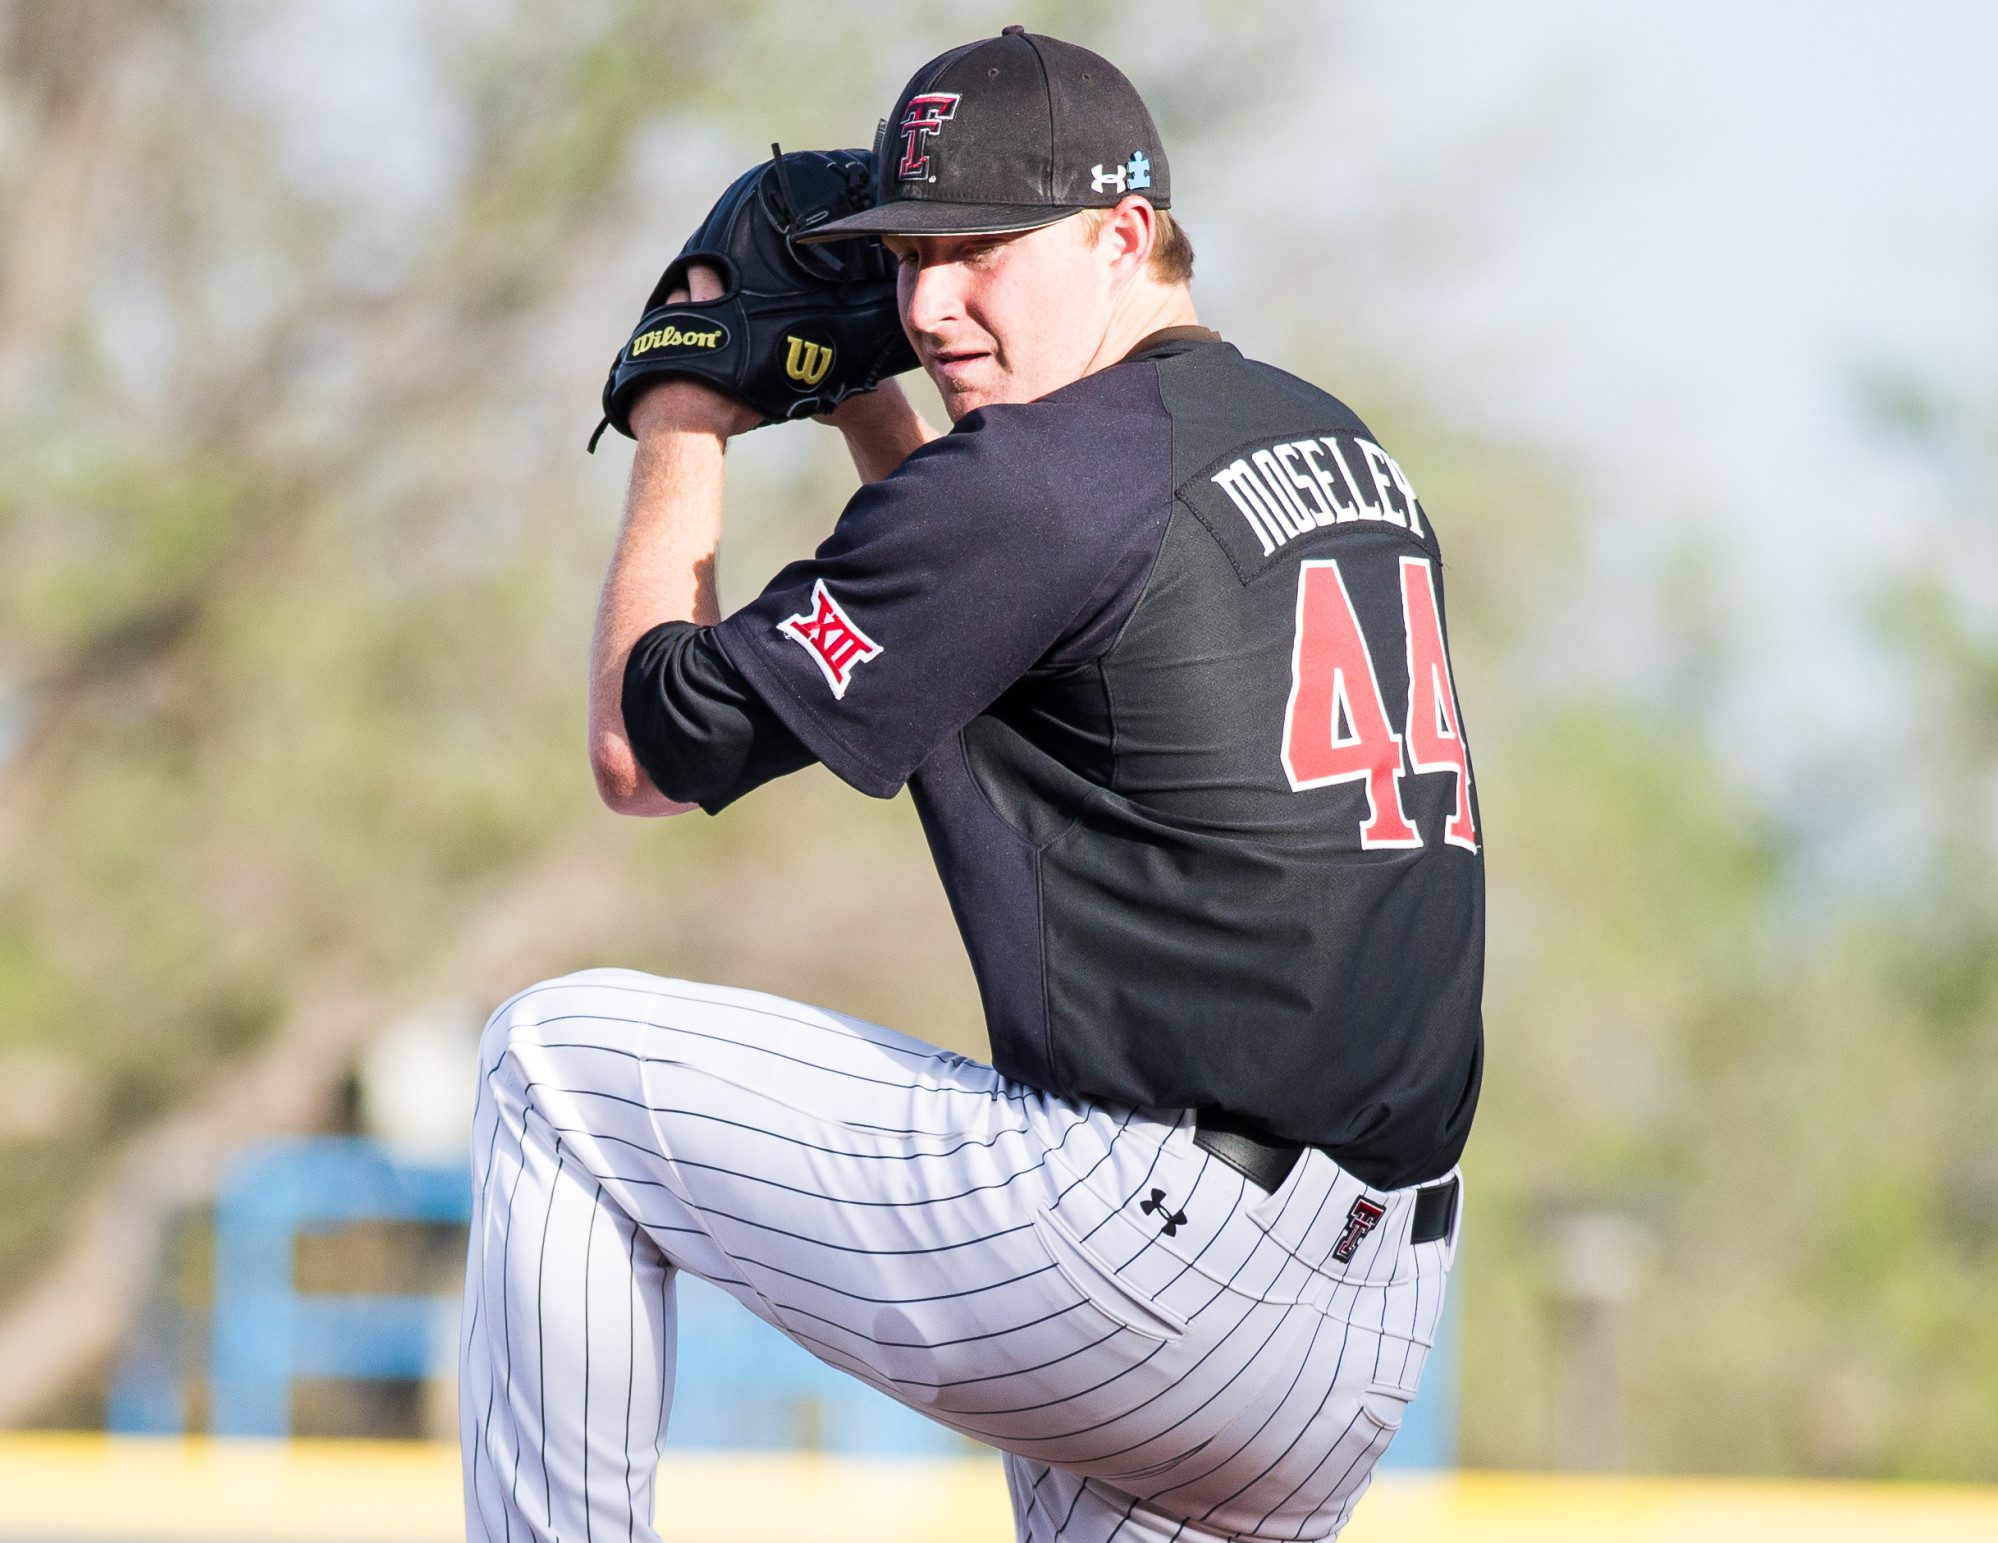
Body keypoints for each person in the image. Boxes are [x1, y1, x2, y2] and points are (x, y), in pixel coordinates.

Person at [460, 26, 1483, 1543]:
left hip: (1150, 1251)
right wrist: (868, 402)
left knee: (555, 1071)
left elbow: (642, 745)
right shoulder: (1336, 447)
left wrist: (683, 411)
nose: (931, 300)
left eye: (980, 250)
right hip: (1364, 1326)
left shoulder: (1048, 484)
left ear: (1124, 234)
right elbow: (986, 616)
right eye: (904, 257)